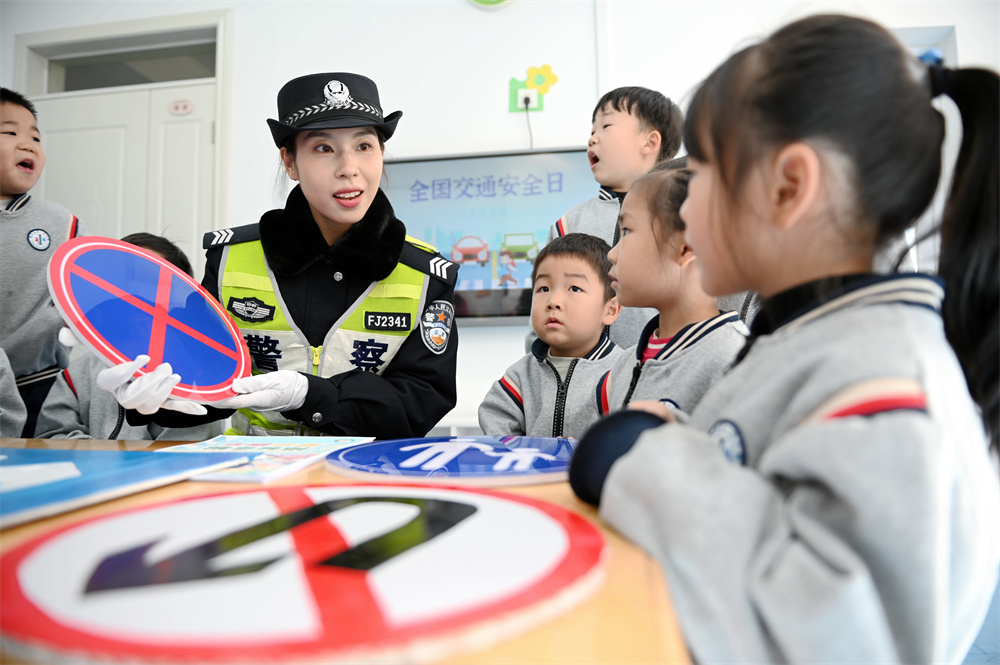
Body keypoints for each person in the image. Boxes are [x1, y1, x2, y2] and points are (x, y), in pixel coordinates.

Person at [570, 14, 999, 664]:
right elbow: (775, 465)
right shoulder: (808, 335)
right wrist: (686, 431)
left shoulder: (887, 382)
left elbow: (838, 637)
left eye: (704, 173)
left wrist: (653, 461)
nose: (684, 208)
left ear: (790, 186)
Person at [99, 73, 459, 439]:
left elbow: (422, 402)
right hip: (256, 477)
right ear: (289, 162)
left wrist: (310, 395)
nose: (349, 168)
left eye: (364, 146)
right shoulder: (228, 262)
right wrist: (155, 398)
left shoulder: (424, 276)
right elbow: (200, 384)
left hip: (370, 476)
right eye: (323, 148)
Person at [35, 234, 225, 442]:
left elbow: (187, 445)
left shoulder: (196, 375)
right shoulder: (79, 372)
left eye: (151, 280)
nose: (134, 292)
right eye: (123, 279)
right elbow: (51, 435)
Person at [543, 86, 684, 348]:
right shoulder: (568, 224)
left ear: (650, 142)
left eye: (606, 126)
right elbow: (543, 308)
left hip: (658, 369)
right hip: (580, 377)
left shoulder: (683, 215)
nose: (593, 138)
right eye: (592, 130)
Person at [606, 158, 748, 412]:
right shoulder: (625, 364)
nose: (612, 254)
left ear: (686, 247)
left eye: (626, 231)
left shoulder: (733, 359)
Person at [479, 233, 625, 438]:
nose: (553, 301)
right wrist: (526, 452)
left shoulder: (622, 373)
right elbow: (497, 423)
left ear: (610, 310)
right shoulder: (521, 376)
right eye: (543, 288)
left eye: (575, 288)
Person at [0, 87, 84, 437]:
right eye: (10, 132)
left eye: (35, 136)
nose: (28, 143)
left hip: (40, 381)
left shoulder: (61, 222)